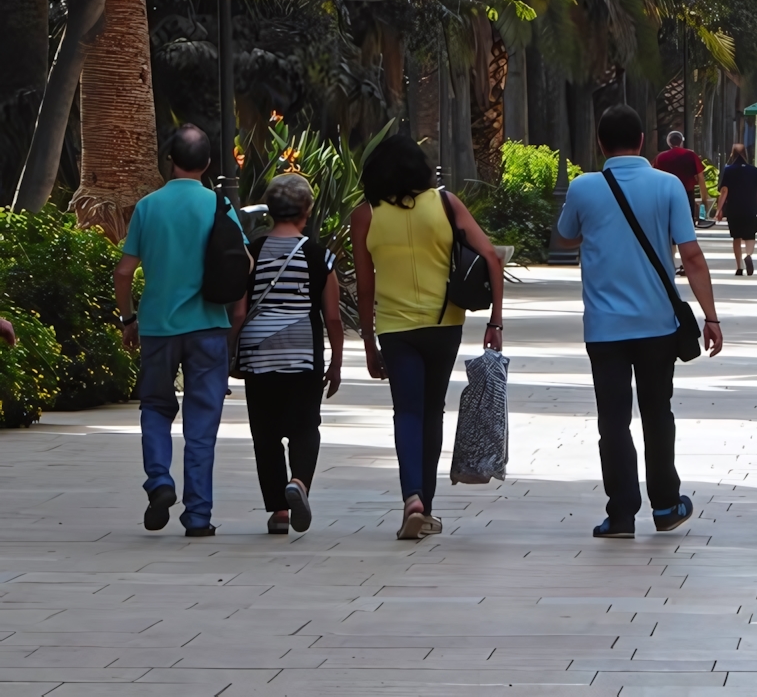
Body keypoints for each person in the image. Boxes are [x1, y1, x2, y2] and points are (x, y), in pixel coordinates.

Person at [556, 105, 723, 539]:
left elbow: (565, 235)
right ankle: (666, 505)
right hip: (658, 327)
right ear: (644, 142)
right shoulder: (667, 186)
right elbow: (692, 256)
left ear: (599, 142)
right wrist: (711, 316)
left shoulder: (584, 187)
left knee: (612, 420)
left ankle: (621, 513)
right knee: (656, 414)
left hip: (604, 329)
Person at [352, 135, 504, 540]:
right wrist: (496, 322)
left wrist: (368, 343)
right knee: (432, 410)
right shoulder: (445, 203)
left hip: (395, 328)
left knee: (407, 412)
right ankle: (428, 507)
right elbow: (490, 256)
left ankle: (412, 499)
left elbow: (365, 289)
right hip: (444, 324)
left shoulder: (365, 215)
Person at [114, 124, 244, 537]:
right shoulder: (219, 205)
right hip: (209, 327)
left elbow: (123, 272)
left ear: (169, 160)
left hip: (157, 327)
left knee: (154, 407)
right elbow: (245, 264)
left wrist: (129, 319)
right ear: (207, 164)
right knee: (201, 423)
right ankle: (198, 516)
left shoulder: (148, 206)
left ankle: (159, 482)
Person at [233, 174, 344, 535]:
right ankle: (299, 482)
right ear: (307, 211)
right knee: (305, 426)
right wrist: (337, 362)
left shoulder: (253, 250)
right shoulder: (318, 256)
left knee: (264, 434)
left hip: (258, 354)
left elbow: (239, 310)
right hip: (302, 354)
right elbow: (332, 316)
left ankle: (279, 511)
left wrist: (229, 350)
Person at [654, 132, 711, 273]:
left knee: (668, 231)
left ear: (668, 142)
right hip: (686, 195)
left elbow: (654, 178)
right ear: (681, 141)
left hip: (665, 196)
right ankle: (686, 265)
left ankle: (670, 264)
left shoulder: (661, 157)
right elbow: (700, 178)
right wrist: (704, 199)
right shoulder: (691, 155)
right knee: (686, 231)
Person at [717, 143, 757, 276]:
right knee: (750, 235)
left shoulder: (728, 170)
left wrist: (719, 209)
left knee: (736, 237)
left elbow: (724, 191)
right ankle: (748, 255)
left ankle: (739, 267)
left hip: (733, 208)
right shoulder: (753, 170)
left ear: (732, 154)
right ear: (746, 154)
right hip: (751, 207)